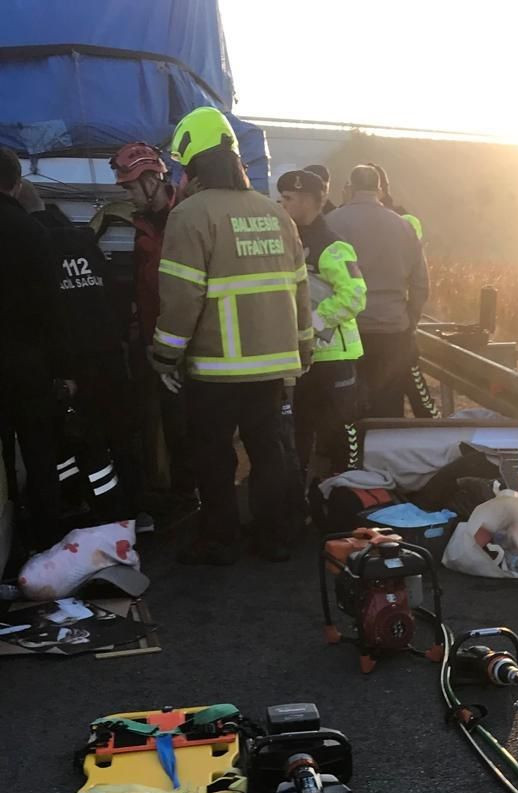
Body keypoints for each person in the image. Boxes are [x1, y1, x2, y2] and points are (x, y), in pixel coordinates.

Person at [150, 107, 312, 564]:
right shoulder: (276, 215)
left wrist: (164, 356)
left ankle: (220, 541)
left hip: (216, 369)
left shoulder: (190, 216)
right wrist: (303, 347)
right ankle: (274, 538)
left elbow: (181, 299)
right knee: (270, 454)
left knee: (214, 457)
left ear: (191, 163)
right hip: (273, 367)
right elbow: (300, 292)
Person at [24, 188, 141, 523]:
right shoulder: (85, 243)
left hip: (73, 362)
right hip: (109, 355)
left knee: (80, 441)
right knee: (120, 434)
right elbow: (113, 295)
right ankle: (133, 506)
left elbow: (45, 315)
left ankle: (91, 509)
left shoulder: (36, 248)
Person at [108, 141, 193, 503]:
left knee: (190, 423)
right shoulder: (141, 226)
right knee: (161, 420)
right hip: (156, 342)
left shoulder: (188, 216)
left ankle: (193, 493)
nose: (127, 196)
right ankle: (177, 491)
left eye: (129, 187)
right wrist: (143, 338)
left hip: (189, 343)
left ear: (151, 180)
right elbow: (143, 291)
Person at [329, 163, 437, 418]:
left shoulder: (331, 223)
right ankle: (385, 455)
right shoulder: (404, 226)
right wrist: (410, 319)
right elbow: (421, 284)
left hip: (347, 331)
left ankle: (347, 456)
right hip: (393, 331)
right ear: (379, 189)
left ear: (349, 188)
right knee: (388, 404)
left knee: (348, 407)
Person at [276, 168, 366, 476]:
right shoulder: (286, 238)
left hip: (335, 358)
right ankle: (298, 500)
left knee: (342, 435)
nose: (281, 203)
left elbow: (355, 295)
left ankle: (346, 494)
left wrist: (313, 322)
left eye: (287, 198)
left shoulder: (332, 245)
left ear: (305, 200)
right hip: (301, 358)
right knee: (299, 429)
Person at [0, 146, 67, 554]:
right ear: (18, 185)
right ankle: (46, 535)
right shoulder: (34, 232)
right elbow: (52, 306)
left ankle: (5, 534)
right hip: (29, 362)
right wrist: (61, 366)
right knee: (40, 450)